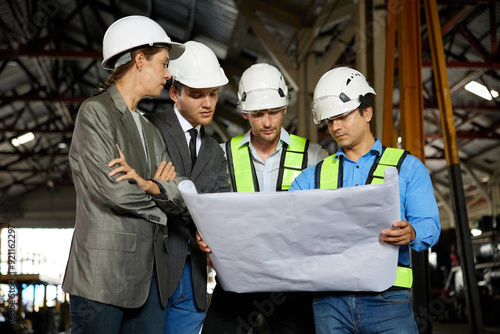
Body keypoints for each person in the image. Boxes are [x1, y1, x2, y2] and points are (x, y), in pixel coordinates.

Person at [288, 66, 441, 334]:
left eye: (343, 116)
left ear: (366, 112)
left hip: (388, 300)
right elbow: (288, 229)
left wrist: (412, 231)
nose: (335, 127)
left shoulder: (407, 167)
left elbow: (430, 224)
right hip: (328, 302)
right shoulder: (308, 179)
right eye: (329, 120)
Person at [62, 15, 187, 334]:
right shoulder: (95, 114)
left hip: (149, 281)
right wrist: (159, 199)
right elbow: (114, 191)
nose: (168, 74)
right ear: (140, 59)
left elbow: (178, 195)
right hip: (102, 279)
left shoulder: (149, 129)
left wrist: (146, 184)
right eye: (163, 63)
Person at [198, 63, 329, 334]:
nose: (267, 122)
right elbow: (208, 211)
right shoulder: (221, 155)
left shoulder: (314, 157)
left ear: (284, 109)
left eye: (273, 112)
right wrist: (203, 233)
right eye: (258, 114)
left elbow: (327, 215)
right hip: (238, 275)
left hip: (291, 281)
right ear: (244, 113)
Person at [144, 40, 231, 334]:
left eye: (213, 94)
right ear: (174, 93)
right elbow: (142, 192)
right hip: (153, 272)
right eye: (196, 95)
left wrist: (212, 231)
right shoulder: (150, 128)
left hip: (193, 278)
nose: (207, 103)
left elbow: (219, 206)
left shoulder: (214, 152)